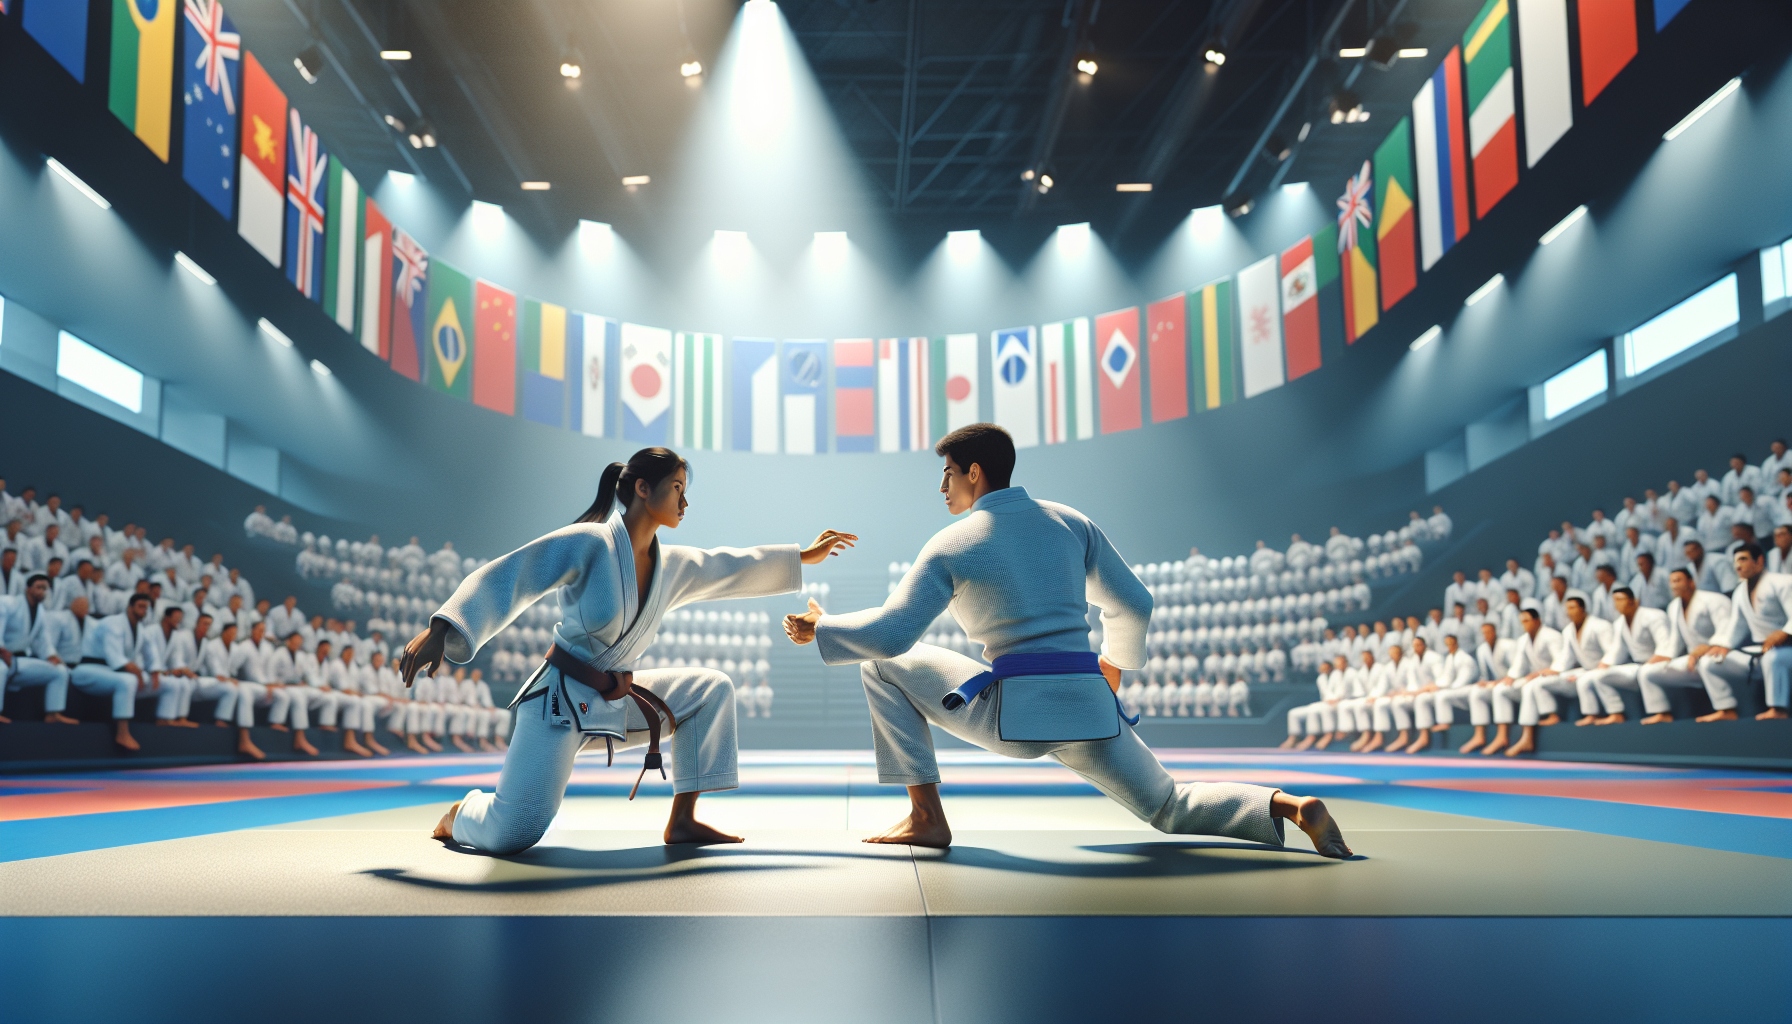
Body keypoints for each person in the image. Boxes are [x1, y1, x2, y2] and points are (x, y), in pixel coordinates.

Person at [784, 424, 1350, 857]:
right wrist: (1114, 666)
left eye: (948, 474)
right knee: (1168, 803)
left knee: (879, 665)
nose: (942, 486)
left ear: (974, 473)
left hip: (1012, 715)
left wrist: (824, 627)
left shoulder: (952, 543)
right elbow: (1136, 603)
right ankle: (1288, 806)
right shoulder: (1070, 523)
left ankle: (927, 818)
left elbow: (891, 635)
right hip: (1089, 707)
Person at [405, 447, 856, 854]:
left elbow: (729, 567)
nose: (684, 502)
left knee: (710, 689)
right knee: (514, 832)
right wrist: (442, 627)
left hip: (615, 699)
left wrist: (802, 556)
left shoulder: (672, 566)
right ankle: (463, 813)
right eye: (677, 488)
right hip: (559, 703)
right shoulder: (590, 543)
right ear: (643, 488)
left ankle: (683, 820)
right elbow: (515, 572)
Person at [1696, 544, 1792, 721]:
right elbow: (1737, 626)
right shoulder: (1740, 591)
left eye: (1743, 559)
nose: (1738, 566)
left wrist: (1785, 632)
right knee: (1709, 662)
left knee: (1773, 658)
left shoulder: (1782, 582)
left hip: (1786, 650)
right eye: (1735, 561)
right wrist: (1723, 645)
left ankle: (1778, 709)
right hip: (1760, 651)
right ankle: (1726, 709)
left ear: (1759, 561)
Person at [1636, 569, 1734, 724]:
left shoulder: (1714, 600)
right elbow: (1675, 641)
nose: (1673, 585)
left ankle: (1727, 710)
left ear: (1691, 582)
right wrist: (1664, 655)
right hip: (1692, 660)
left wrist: (1710, 646)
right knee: (1648, 671)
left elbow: (1727, 629)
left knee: (1707, 662)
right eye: (1671, 582)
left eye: (1678, 580)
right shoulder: (1673, 606)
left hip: (1718, 654)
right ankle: (1662, 713)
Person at [1579, 588, 1671, 725]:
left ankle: (1663, 713)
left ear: (1634, 601)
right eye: (1615, 600)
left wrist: (1651, 663)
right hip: (1638, 665)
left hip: (1660, 662)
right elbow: (1617, 651)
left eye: (1620, 599)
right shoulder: (1619, 623)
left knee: (1646, 672)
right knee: (1600, 676)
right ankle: (1616, 713)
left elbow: (1665, 646)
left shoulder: (1653, 616)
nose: (1617, 604)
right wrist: (1605, 664)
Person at [1479, 604, 1562, 756]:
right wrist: (1510, 677)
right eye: (1522, 622)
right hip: (1537, 677)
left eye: (1527, 621)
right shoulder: (1523, 640)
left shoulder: (1552, 635)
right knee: (1501, 689)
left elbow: (1560, 662)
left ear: (1537, 621)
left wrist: (1539, 673)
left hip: (1556, 676)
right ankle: (1502, 736)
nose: (1524, 624)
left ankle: (1527, 738)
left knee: (1529, 686)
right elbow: (1518, 665)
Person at [0, 574, 78, 725]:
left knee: (59, 671)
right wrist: (2, 650)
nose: (42, 591)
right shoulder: (7, 603)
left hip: (17, 661)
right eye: (38, 587)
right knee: (0, 669)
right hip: (2, 658)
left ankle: (53, 713)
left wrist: (51, 655)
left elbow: (42, 640)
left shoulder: (41, 611)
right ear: (28, 588)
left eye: (45, 588)